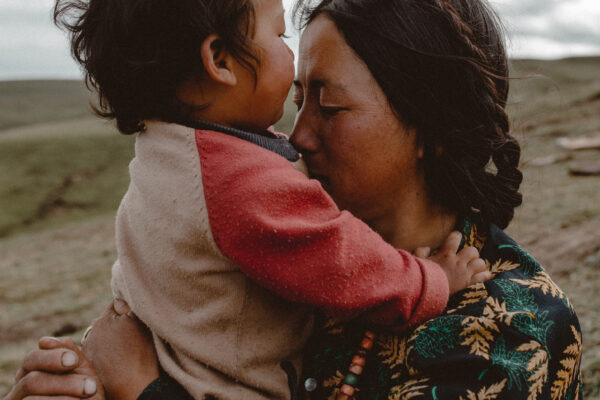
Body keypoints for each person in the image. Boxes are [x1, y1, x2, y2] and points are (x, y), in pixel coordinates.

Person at [4, 0, 584, 398]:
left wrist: (141, 389)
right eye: (298, 98)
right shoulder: (271, 258)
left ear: (433, 125)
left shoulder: (510, 331)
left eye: (330, 107)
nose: (298, 137)